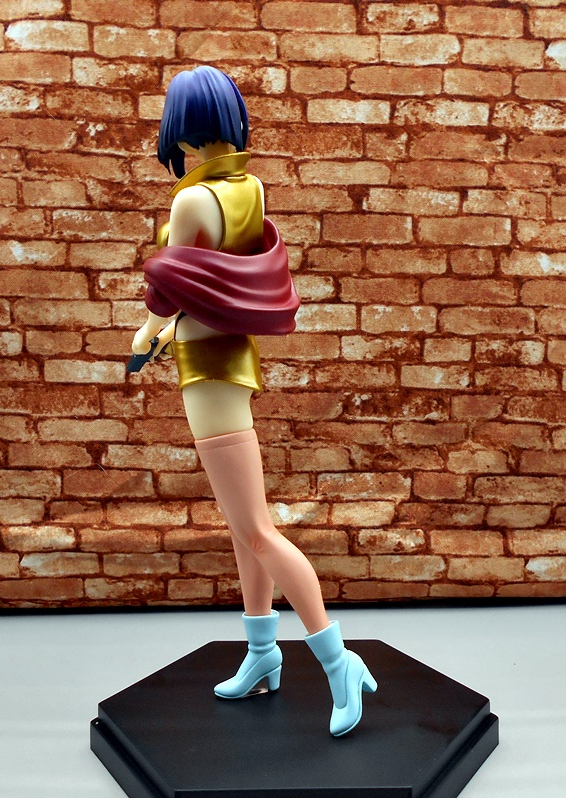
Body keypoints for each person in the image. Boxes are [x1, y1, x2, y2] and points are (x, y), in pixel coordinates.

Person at [131, 66, 376, 736]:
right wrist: (164, 328)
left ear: (182, 127)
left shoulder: (191, 201)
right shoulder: (250, 186)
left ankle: (338, 662)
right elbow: (220, 279)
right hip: (234, 353)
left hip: (208, 370)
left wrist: (148, 331)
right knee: (243, 527)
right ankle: (263, 653)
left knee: (257, 529)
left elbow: (170, 290)